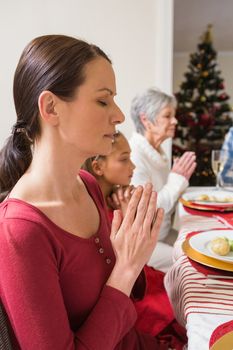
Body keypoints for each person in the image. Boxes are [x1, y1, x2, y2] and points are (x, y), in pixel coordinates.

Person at [0, 35, 165, 350]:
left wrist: (130, 245)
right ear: (51, 108)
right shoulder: (18, 232)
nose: (118, 115)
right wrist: (126, 268)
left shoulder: (88, 185)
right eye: (103, 100)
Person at [82, 132, 187, 349]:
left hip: (141, 275)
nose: (133, 166)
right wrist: (127, 216)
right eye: (123, 159)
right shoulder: (90, 207)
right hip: (122, 287)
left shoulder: (121, 196)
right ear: (98, 167)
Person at [129, 88, 196, 272]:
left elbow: (170, 195)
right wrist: (177, 179)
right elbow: (149, 209)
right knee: (194, 262)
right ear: (146, 120)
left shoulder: (158, 152)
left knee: (200, 245)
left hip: (161, 234)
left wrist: (180, 181)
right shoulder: (134, 157)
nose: (175, 121)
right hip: (145, 243)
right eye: (167, 115)